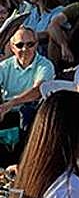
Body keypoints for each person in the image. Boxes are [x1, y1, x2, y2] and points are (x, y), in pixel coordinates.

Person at [0, 27, 55, 158]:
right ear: (12, 48)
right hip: (8, 111)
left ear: (36, 44)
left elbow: (38, 90)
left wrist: (11, 104)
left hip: (32, 112)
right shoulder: (4, 66)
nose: (25, 49)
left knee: (27, 116)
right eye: (20, 45)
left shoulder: (45, 65)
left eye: (30, 44)